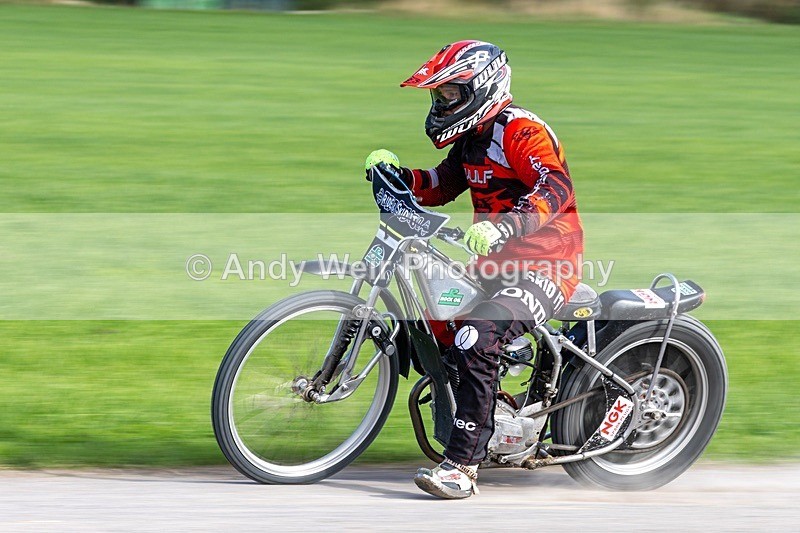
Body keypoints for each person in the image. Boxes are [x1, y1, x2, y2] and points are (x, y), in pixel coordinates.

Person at [365, 40, 584, 499]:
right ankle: (492, 410)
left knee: (476, 337)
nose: (441, 105)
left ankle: (463, 467)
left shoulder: (520, 131)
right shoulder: (471, 138)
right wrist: (397, 175)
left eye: (449, 95)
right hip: (493, 264)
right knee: (434, 317)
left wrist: (507, 227)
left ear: (481, 88)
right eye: (438, 97)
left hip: (546, 266)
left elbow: (556, 185)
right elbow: (444, 184)